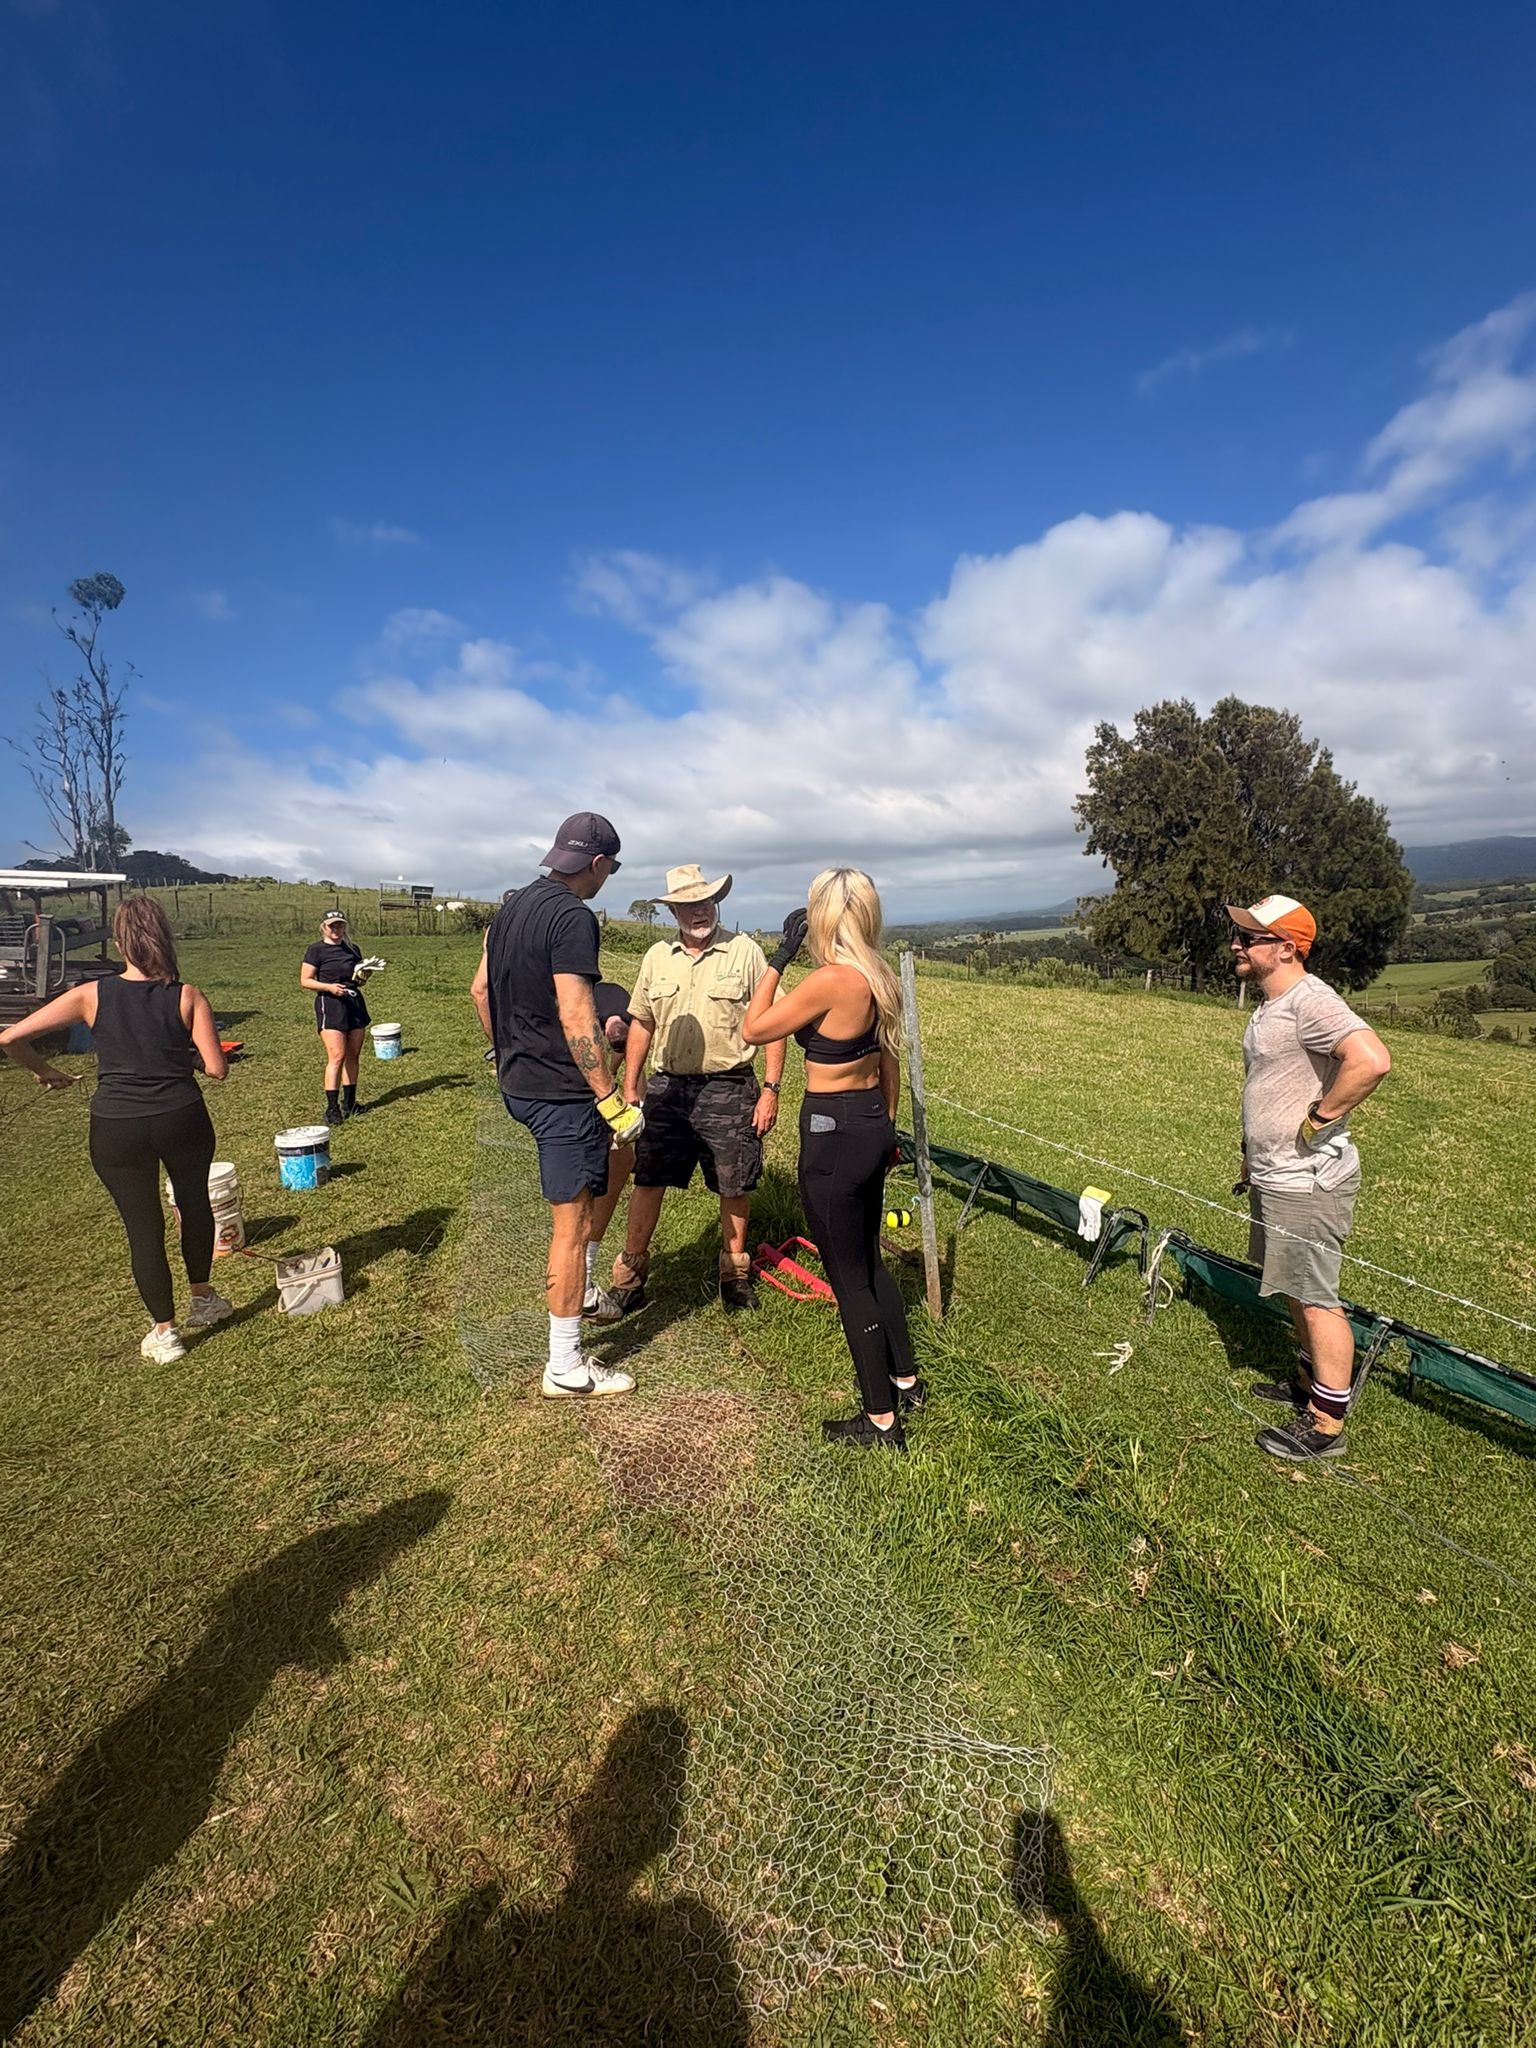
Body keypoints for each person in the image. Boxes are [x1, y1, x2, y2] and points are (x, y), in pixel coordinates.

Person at [0, 895, 231, 1363]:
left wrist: (44, 1071)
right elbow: (217, 1069)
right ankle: (203, 1298)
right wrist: (177, 1056)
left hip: (116, 1125)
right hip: (181, 1115)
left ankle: (165, 1333)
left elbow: (10, 1037)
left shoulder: (92, 994)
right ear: (163, 938)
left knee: (142, 1225)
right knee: (193, 1202)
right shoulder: (187, 995)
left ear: (120, 941)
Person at [743, 867, 919, 1451]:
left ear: (821, 918)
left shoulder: (830, 980)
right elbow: (889, 1061)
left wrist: (778, 957)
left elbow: (753, 1028)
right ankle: (906, 1380)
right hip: (869, 1119)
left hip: (832, 1129)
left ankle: (880, 1420)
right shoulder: (879, 977)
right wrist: (887, 1128)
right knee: (868, 1258)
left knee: (847, 1278)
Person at [470, 812, 643, 1398]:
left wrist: (504, 1052)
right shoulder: (572, 916)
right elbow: (577, 1014)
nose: (608, 877)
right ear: (596, 864)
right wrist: (609, 1096)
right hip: (562, 1095)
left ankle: (586, 1293)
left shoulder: (512, 907)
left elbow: (479, 990)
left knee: (593, 1189)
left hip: (519, 1083)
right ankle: (565, 1366)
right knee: (569, 1227)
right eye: (611, 868)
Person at [1229, 894, 1392, 1462]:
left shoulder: (1311, 1001)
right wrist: (1253, 1150)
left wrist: (1321, 1118)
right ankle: (1306, 1384)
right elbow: (1273, 1083)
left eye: (1250, 939)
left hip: (1308, 1179)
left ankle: (1326, 1422)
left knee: (1316, 1296)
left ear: (1288, 948)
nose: (1237, 945)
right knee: (1294, 1285)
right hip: (1277, 1172)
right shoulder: (1272, 1003)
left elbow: (1370, 1060)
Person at [611, 864, 785, 1315]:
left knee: (734, 1182)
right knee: (648, 1178)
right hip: (667, 1088)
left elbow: (774, 1025)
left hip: (729, 1086)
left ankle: (735, 1276)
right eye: (688, 905)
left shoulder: (745, 953)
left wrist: (770, 1089)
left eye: (705, 902)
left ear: (716, 903)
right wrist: (631, 1085)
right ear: (674, 911)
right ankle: (628, 1279)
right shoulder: (656, 958)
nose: (698, 911)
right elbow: (642, 1023)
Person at [301, 909, 371, 1125]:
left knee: (353, 1054)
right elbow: (305, 980)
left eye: (340, 925)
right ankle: (331, 1109)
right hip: (330, 1004)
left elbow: (357, 980)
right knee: (337, 1055)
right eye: (332, 926)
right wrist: (329, 988)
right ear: (324, 927)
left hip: (353, 1002)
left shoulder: (352, 949)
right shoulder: (315, 950)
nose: (337, 930)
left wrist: (363, 976)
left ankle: (349, 1103)